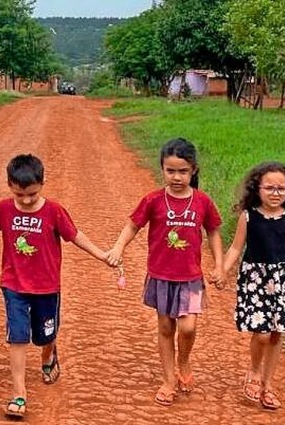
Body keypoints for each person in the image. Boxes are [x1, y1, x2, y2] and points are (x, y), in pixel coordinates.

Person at [0, 154, 110, 418]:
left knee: (44, 336)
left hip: (47, 288)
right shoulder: (3, 209)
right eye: (20, 195)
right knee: (17, 336)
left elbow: (76, 237)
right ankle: (19, 394)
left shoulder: (54, 211)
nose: (26, 200)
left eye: (32, 194)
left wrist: (102, 255)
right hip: (13, 285)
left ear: (42, 184)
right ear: (9, 185)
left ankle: (48, 353)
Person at [106, 138, 224, 406]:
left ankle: (184, 359)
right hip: (161, 275)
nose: (177, 177)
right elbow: (132, 226)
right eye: (170, 171)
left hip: (191, 277)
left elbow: (214, 231)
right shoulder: (153, 200)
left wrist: (218, 264)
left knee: (188, 327)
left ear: (193, 170)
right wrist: (118, 248)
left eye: (183, 171)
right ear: (162, 169)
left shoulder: (202, 201)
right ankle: (169, 380)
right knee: (165, 327)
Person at [223, 161, 285, 410]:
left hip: (283, 281)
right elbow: (235, 247)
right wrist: (223, 270)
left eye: (281, 189)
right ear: (257, 189)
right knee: (261, 333)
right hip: (255, 280)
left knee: (276, 333)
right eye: (269, 188)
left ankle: (267, 385)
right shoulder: (248, 216)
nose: (275, 193)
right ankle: (253, 373)